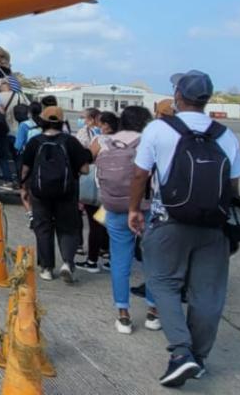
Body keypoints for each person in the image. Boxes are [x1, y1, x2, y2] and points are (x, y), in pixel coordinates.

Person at [129, 70, 240, 386]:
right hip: (213, 228)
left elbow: (140, 175)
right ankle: (200, 357)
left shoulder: (158, 129)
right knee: (207, 295)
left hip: (169, 222)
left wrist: (133, 210)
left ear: (178, 96)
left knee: (164, 284)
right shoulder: (226, 135)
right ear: (206, 99)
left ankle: (181, 353)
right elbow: (232, 188)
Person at [95, 106, 160, 335]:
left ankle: (123, 315)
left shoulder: (106, 142)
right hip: (146, 208)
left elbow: (97, 177)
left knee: (120, 261)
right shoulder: (149, 142)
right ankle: (153, 311)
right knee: (153, 260)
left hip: (114, 209)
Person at [21, 105, 93, 283]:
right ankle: (67, 263)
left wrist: (22, 187)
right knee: (67, 227)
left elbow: (25, 169)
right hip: (66, 192)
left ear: (42, 121)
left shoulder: (35, 142)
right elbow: (84, 169)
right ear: (62, 123)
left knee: (43, 228)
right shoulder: (70, 142)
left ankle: (46, 268)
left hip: (39, 192)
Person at [79, 111, 119, 273]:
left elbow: (88, 158)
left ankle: (92, 261)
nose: (98, 126)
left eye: (100, 124)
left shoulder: (100, 140)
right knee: (109, 223)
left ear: (106, 125)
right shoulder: (122, 140)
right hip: (117, 188)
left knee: (95, 224)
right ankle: (110, 257)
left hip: (99, 187)